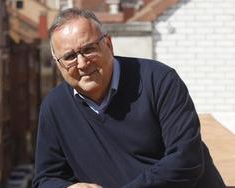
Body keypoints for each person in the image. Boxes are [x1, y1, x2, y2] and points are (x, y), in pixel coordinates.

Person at [32, 8, 226, 188]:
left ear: (108, 44)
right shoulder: (54, 107)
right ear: (58, 64)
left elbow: (186, 160)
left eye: (89, 49)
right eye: (69, 57)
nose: (82, 63)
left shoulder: (158, 80)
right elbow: (46, 178)